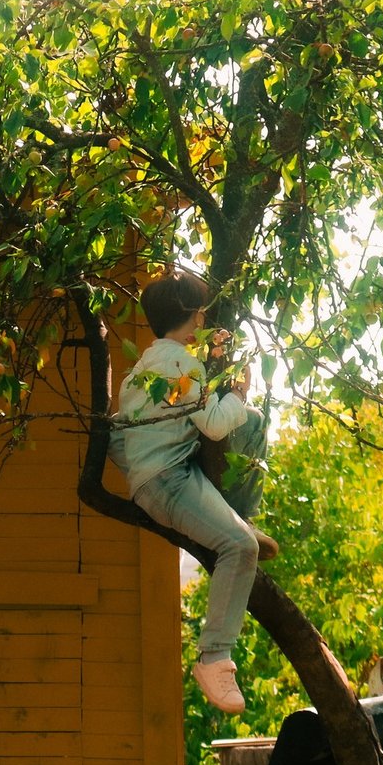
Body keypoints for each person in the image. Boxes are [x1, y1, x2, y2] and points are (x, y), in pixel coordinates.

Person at [110, 269, 275, 715]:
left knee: (254, 421)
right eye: (201, 308)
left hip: (162, 476)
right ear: (192, 316)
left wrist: (137, 475)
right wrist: (239, 391)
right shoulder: (185, 364)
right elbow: (217, 424)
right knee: (239, 548)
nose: (204, 315)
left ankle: (236, 519)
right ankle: (214, 656)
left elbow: (117, 439)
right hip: (170, 482)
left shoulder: (142, 371)